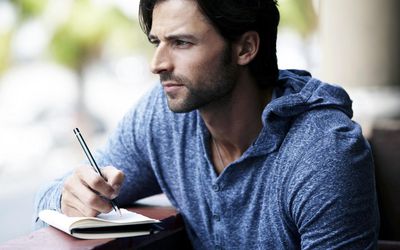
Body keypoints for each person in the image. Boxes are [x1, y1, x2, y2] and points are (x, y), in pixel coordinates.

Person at [34, 0, 379, 249]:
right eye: (157, 42)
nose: (157, 63)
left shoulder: (322, 152)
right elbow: (49, 197)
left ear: (245, 48)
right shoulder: (163, 117)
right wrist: (72, 197)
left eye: (181, 43)